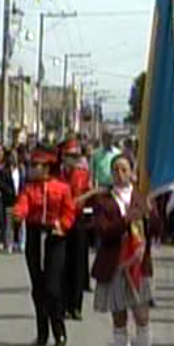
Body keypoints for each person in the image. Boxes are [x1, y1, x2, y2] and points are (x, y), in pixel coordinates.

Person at [90, 154, 158, 346]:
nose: (120, 174)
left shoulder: (141, 197)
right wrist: (126, 220)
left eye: (124, 169)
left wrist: (150, 213)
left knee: (142, 316)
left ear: (132, 173)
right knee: (119, 318)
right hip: (115, 264)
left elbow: (157, 229)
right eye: (116, 170)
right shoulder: (103, 200)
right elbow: (103, 231)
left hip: (139, 263)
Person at [12, 146, 76, 346]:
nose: (32, 168)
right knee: (37, 287)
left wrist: (62, 225)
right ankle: (42, 332)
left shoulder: (62, 188)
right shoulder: (29, 188)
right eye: (32, 165)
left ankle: (59, 330)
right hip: (34, 234)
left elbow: (69, 212)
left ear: (47, 167)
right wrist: (18, 214)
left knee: (52, 287)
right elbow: (23, 204)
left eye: (36, 165)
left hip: (54, 237)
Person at [60, 138, 93, 321]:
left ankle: (76, 306)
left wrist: (84, 199)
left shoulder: (83, 174)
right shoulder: (58, 175)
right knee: (63, 264)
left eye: (76, 156)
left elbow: (89, 192)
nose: (73, 159)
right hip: (62, 221)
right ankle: (64, 304)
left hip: (79, 221)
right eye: (70, 156)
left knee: (79, 263)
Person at [0, 149, 25, 254]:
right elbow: (2, 184)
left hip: (20, 199)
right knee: (9, 223)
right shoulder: (4, 170)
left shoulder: (21, 169)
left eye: (15, 156)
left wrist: (22, 194)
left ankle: (21, 244)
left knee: (21, 223)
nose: (13, 158)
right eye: (12, 156)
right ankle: (9, 244)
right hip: (9, 200)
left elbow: (24, 182)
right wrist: (10, 192)